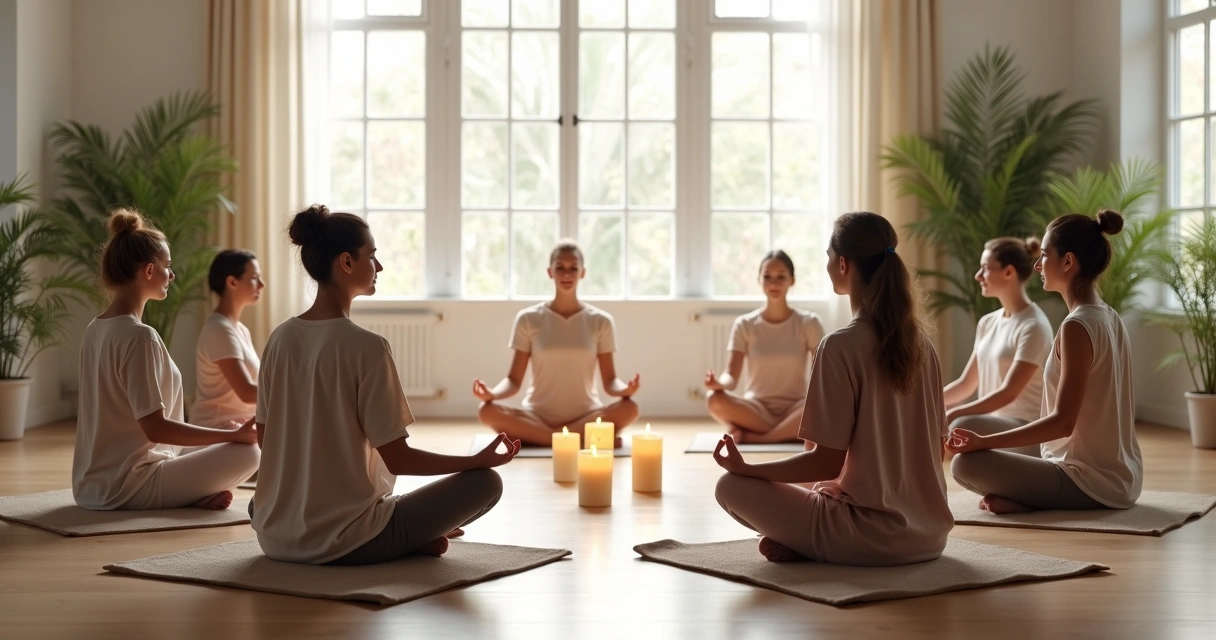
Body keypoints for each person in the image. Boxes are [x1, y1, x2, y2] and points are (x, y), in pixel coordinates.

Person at [253, 205, 518, 565]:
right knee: (486, 483)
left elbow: (265, 441)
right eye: (373, 256)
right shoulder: (368, 347)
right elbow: (398, 458)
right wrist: (474, 460)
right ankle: (407, 537)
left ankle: (411, 533)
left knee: (263, 500)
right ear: (346, 262)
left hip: (275, 537)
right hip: (345, 541)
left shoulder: (279, 339)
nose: (379, 267)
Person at [713, 212, 951, 566]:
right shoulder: (923, 346)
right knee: (819, 489)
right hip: (930, 537)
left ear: (843, 264)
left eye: (827, 256)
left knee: (729, 487)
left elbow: (824, 462)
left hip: (868, 538)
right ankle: (803, 541)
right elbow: (937, 448)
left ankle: (810, 544)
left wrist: (750, 469)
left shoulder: (839, 346)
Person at [948, 210, 1143, 514]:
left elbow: (1063, 423)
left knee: (965, 464)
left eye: (1044, 255)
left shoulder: (1077, 326)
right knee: (971, 453)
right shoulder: (1109, 316)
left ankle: (1034, 499)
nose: (1037, 265)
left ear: (1067, 262)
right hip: (1124, 478)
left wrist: (983, 441)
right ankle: (1029, 497)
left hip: (1090, 481)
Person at [73, 209, 259, 511]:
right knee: (250, 452)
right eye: (167, 267)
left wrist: (227, 436)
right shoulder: (138, 336)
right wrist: (233, 435)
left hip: (89, 485)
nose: (171, 275)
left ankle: (191, 493)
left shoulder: (96, 329)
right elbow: (156, 429)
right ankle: (188, 494)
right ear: (148, 271)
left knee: (232, 443)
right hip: (129, 485)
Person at [473, 240, 641, 446]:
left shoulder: (600, 321)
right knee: (487, 411)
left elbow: (610, 381)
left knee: (630, 408)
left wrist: (625, 390)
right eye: (559, 267)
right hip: (537, 417)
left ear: (583, 273)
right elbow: (513, 380)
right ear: (549, 272)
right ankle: (572, 440)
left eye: (573, 268)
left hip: (587, 415)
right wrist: (492, 393)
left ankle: (543, 438)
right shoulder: (529, 318)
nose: (567, 274)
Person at [941, 238, 1053, 456]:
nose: (978, 276)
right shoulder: (988, 322)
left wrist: (953, 413)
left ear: (1008, 272)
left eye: (984, 268)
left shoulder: (1034, 326)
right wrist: (926, 402)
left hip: (1025, 431)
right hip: (993, 426)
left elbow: (1008, 393)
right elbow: (966, 384)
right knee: (942, 418)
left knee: (959, 424)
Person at [705, 250, 825, 444]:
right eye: (767, 276)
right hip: (756, 409)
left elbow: (821, 375)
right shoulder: (744, 324)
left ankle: (758, 437)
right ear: (759, 279)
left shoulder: (809, 323)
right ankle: (786, 432)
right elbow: (731, 377)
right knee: (714, 399)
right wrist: (719, 383)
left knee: (823, 404)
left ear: (792, 280)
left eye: (781, 277)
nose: (773, 283)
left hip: (797, 408)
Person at [187, 250, 264, 450]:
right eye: (255, 278)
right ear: (232, 282)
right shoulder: (218, 329)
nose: (262, 285)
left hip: (239, 429)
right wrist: (292, 390)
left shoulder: (239, 330)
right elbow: (246, 392)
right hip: (215, 434)